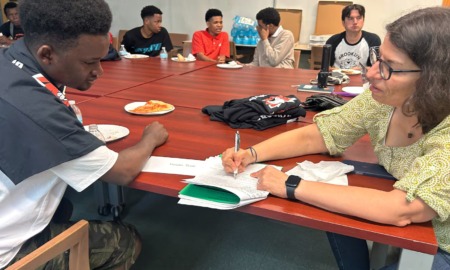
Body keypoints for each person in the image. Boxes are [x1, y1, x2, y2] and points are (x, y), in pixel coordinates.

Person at [222, 6, 450, 270]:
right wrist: (251, 154)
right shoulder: (383, 100)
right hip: (413, 212)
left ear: (434, 80)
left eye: (389, 67)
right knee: (332, 201)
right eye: (378, 58)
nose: (371, 73)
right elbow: (319, 135)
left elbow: (402, 209)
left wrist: (291, 185)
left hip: (443, 242)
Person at [0, 0, 168, 269]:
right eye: (89, 62)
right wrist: (151, 138)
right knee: (125, 240)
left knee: (63, 206)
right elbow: (122, 171)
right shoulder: (40, 113)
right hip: (8, 251)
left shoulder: (11, 60)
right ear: (47, 55)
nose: (98, 71)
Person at [326, 4, 381, 69]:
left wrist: (360, 69)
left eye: (359, 18)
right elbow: (326, 68)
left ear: (363, 20)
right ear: (343, 22)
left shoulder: (373, 40)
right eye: (350, 18)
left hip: (362, 78)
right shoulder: (332, 41)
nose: (355, 22)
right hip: (338, 78)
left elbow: (377, 68)